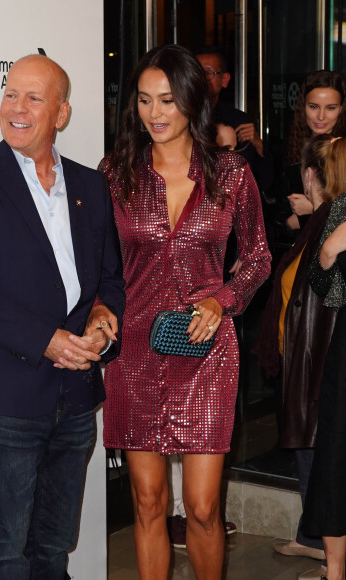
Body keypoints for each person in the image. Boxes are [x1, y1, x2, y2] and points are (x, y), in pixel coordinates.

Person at [0, 54, 125, 580]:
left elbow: (110, 278)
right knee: (6, 552)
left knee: (54, 548)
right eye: (10, 94)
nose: (16, 108)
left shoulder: (91, 186)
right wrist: (46, 340)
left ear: (61, 113)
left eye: (33, 98)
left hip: (77, 399)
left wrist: (104, 319)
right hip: (5, 401)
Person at [99, 44, 271, 579]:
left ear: (193, 103)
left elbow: (259, 258)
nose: (154, 113)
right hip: (135, 352)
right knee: (148, 504)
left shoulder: (231, 175)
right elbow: (100, 263)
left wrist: (223, 301)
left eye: (168, 100)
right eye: (145, 100)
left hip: (207, 355)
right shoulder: (116, 175)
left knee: (200, 508)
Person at [254, 134, 340, 580]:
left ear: (310, 176)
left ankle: (330, 556)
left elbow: (324, 297)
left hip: (320, 368)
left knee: (323, 462)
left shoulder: (330, 223)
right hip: (308, 363)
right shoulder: (320, 221)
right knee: (313, 459)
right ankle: (313, 540)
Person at [302, 137, 346, 580]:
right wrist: (331, 250)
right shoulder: (342, 208)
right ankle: (335, 570)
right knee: (335, 453)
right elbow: (324, 285)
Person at [195, 45, 274, 193]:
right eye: (197, 73)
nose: (202, 79)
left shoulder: (237, 120)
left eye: (209, 72)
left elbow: (264, 182)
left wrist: (258, 145)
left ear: (225, 80)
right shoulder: (179, 117)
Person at [282, 71, 346, 232]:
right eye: (313, 107)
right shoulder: (294, 146)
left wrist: (313, 209)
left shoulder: (342, 151)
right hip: (299, 248)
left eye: (331, 108)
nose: (321, 116)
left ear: (341, 109)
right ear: (303, 107)